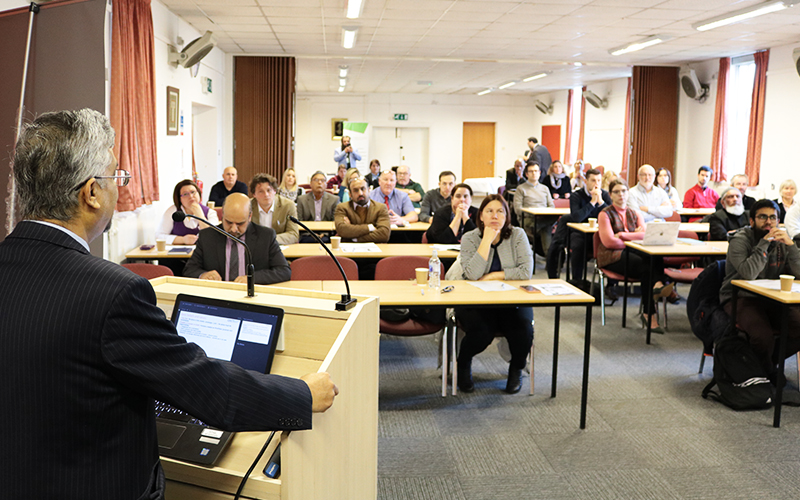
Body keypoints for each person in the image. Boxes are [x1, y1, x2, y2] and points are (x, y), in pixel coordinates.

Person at [0, 109, 336, 500]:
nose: (120, 188)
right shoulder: (113, 293)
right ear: (91, 193)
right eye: (116, 177)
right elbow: (208, 388)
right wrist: (302, 395)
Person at [455, 195, 533, 394]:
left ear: (507, 216)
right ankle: (463, 363)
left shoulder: (517, 235)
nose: (495, 216)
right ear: (481, 216)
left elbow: (526, 272)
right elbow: (471, 274)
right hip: (475, 301)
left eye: (500, 211)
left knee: (523, 328)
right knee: (482, 331)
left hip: (511, 300)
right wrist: (486, 241)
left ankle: (516, 368)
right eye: (489, 211)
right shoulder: (470, 238)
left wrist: (493, 276)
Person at [720, 198, 800, 375]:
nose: (768, 222)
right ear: (752, 221)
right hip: (740, 297)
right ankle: (765, 372)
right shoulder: (740, 240)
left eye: (773, 217)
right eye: (763, 217)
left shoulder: (782, 240)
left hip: (771, 297)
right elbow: (749, 273)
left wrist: (791, 246)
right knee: (762, 337)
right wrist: (764, 243)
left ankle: (765, 366)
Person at [597, 179, 672, 333]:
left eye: (624, 191)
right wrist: (633, 236)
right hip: (611, 256)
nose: (621, 195)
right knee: (645, 267)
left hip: (631, 252)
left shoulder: (634, 213)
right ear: (610, 195)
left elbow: (645, 236)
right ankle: (651, 308)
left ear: (628, 193)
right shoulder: (605, 214)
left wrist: (622, 235)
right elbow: (609, 242)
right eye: (616, 192)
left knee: (654, 256)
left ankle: (656, 288)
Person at [184, 193, 292, 284]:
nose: (234, 229)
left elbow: (284, 271)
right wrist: (203, 275)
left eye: (240, 223)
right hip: (218, 295)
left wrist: (252, 278)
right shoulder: (207, 236)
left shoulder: (265, 236)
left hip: (252, 296)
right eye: (229, 222)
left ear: (250, 217)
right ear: (222, 216)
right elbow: (189, 270)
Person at [569, 168, 612, 281]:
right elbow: (576, 218)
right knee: (578, 245)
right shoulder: (576, 195)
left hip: (601, 233)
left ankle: (611, 285)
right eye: (593, 180)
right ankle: (577, 280)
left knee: (614, 245)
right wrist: (592, 202)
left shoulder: (605, 195)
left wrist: (600, 202)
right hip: (581, 232)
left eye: (599, 180)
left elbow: (612, 216)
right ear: (586, 181)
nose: (596, 184)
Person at [157, 179, 219, 245]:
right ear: (179, 198)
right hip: (179, 251)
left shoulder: (210, 212)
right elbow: (159, 236)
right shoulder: (172, 211)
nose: (191, 196)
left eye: (193, 192)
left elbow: (214, 237)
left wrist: (200, 216)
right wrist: (183, 240)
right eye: (185, 194)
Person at [514, 162, 555, 255]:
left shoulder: (545, 188)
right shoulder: (521, 189)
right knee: (546, 227)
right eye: (531, 171)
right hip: (528, 219)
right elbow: (517, 209)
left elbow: (551, 206)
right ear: (526, 174)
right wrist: (532, 212)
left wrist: (543, 213)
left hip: (543, 217)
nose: (534, 173)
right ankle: (549, 258)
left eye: (536, 171)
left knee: (550, 221)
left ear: (539, 173)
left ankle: (549, 257)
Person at [334, 177, 391, 242]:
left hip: (374, 247)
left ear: (369, 190)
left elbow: (384, 234)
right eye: (356, 190)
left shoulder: (381, 208)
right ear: (350, 194)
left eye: (363, 189)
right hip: (349, 247)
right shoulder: (342, 208)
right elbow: (342, 230)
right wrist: (370, 227)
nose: (360, 193)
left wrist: (355, 238)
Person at [249, 173, 299, 245]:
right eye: (261, 191)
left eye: (269, 190)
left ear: (275, 191)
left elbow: (293, 234)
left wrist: (269, 239)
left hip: (279, 246)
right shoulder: (247, 207)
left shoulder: (288, 205)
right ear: (254, 194)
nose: (266, 194)